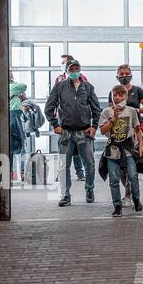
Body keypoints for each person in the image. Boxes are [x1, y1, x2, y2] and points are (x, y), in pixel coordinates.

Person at [45, 59, 99, 206]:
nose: (74, 71)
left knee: (90, 165)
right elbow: (49, 108)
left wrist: (94, 127)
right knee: (64, 166)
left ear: (80, 70)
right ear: (67, 71)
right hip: (66, 133)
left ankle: (89, 189)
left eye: (77, 68)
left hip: (84, 132)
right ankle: (65, 195)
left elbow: (96, 109)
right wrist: (55, 124)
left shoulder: (88, 87)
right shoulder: (59, 87)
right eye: (72, 69)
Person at [98, 85, 143, 217]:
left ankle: (136, 198)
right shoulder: (106, 112)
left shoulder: (132, 111)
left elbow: (137, 129)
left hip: (128, 149)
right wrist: (113, 120)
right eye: (115, 95)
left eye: (120, 95)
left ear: (126, 97)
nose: (117, 97)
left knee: (133, 175)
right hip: (113, 150)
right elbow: (103, 131)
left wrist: (140, 146)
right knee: (113, 179)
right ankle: (117, 205)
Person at [113, 65, 143, 185]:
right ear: (117, 76)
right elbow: (111, 109)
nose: (124, 76)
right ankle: (127, 189)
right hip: (120, 129)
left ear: (131, 75)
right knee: (121, 162)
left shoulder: (138, 90)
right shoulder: (114, 91)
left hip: (136, 128)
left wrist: (135, 111)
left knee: (135, 159)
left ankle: (133, 188)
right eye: (121, 74)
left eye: (126, 74)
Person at [55, 53, 87, 181]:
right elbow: (55, 97)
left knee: (78, 147)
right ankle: (61, 172)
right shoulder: (59, 79)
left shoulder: (82, 78)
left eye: (63, 63)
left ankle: (80, 172)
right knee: (64, 147)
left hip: (79, 119)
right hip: (64, 119)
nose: (61, 65)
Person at [7, 72, 27, 183]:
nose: (11, 74)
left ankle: (14, 173)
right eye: (9, 73)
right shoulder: (8, 86)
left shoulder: (12, 86)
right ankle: (11, 173)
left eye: (11, 73)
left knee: (17, 146)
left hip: (16, 115)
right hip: (12, 115)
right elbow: (23, 86)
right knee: (17, 145)